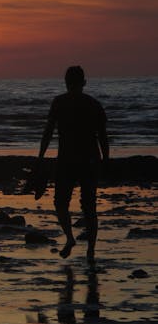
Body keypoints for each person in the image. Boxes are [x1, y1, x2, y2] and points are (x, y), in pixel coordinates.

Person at [38, 66, 109, 263]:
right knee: (89, 206)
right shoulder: (94, 104)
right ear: (84, 83)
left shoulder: (59, 102)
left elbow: (48, 132)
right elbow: (103, 136)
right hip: (90, 159)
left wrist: (40, 156)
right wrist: (106, 160)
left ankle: (70, 238)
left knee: (61, 202)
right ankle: (91, 251)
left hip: (66, 160)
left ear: (66, 82)